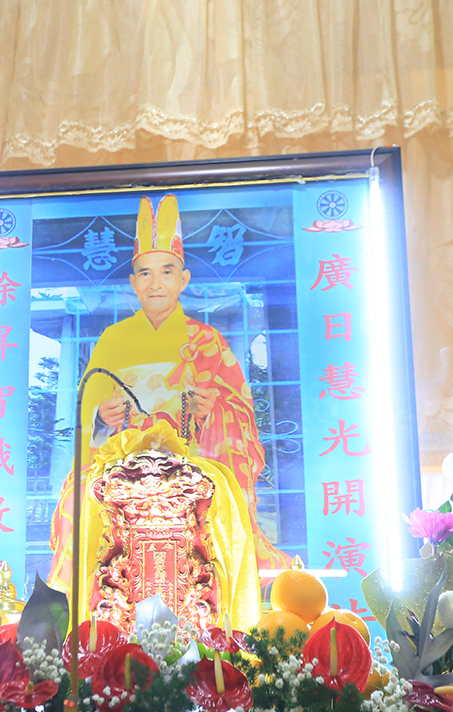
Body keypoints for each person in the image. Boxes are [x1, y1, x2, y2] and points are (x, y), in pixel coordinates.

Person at [47, 194, 290, 615]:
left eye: (167, 272)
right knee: (78, 496)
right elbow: (90, 417)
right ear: (133, 282)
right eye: (145, 273)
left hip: (191, 463)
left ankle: (216, 613)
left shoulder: (207, 341)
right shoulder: (112, 341)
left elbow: (239, 413)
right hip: (121, 465)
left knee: (220, 497)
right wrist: (101, 419)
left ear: (184, 279)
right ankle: (87, 614)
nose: (155, 283)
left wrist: (213, 414)